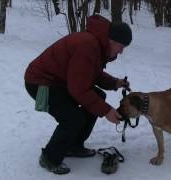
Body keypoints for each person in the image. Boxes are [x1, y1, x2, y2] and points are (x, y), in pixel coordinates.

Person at [24, 15, 132, 174]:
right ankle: (50, 157)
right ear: (111, 40)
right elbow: (79, 89)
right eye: (121, 46)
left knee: (97, 97)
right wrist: (107, 111)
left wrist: (114, 83)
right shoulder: (88, 45)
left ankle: (73, 146)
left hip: (60, 81)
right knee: (72, 117)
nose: (121, 51)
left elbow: (88, 73)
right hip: (41, 83)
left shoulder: (97, 44)